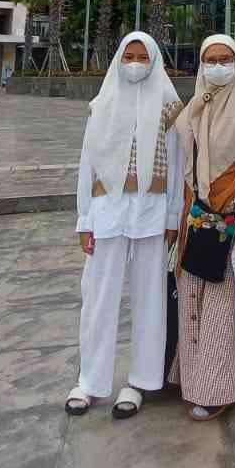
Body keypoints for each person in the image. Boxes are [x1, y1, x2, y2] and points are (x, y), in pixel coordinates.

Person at [65, 32, 184, 420]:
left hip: (151, 211)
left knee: (149, 299)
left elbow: (179, 163)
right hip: (106, 212)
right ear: (118, 59)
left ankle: (140, 381)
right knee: (98, 297)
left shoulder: (169, 106)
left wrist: (171, 216)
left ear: (152, 61)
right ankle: (90, 381)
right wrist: (84, 218)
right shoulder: (102, 105)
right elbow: (87, 163)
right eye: (128, 55)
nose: (134, 63)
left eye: (141, 56)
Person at [169, 34, 235, 422]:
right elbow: (189, 172)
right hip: (195, 220)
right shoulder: (196, 107)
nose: (218, 66)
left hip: (233, 223)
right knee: (191, 300)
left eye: (226, 59)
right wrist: (179, 222)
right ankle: (192, 379)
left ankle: (218, 390)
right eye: (211, 59)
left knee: (220, 308)